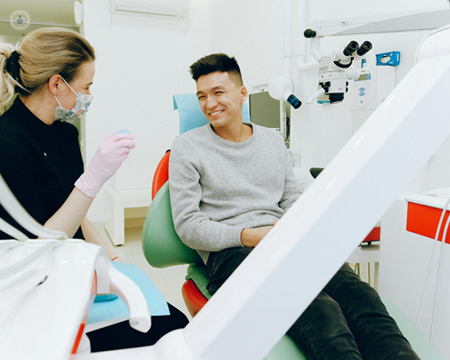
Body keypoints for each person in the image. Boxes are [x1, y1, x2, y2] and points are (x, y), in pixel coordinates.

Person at [168, 53, 420, 359]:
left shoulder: (271, 142)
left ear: (242, 93)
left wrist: (305, 228)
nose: (210, 104)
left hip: (286, 242)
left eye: (218, 92)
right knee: (322, 311)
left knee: (361, 297)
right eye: (202, 96)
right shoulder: (187, 147)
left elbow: (291, 199)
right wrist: (250, 235)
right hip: (232, 253)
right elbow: (188, 226)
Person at [0, 27, 188, 352]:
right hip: (35, 286)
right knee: (165, 334)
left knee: (175, 323)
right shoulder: (8, 143)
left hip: (74, 265)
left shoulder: (64, 134)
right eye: (86, 85)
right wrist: (94, 179)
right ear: (57, 83)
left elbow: (74, 207)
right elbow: (35, 249)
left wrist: (111, 258)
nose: (88, 94)